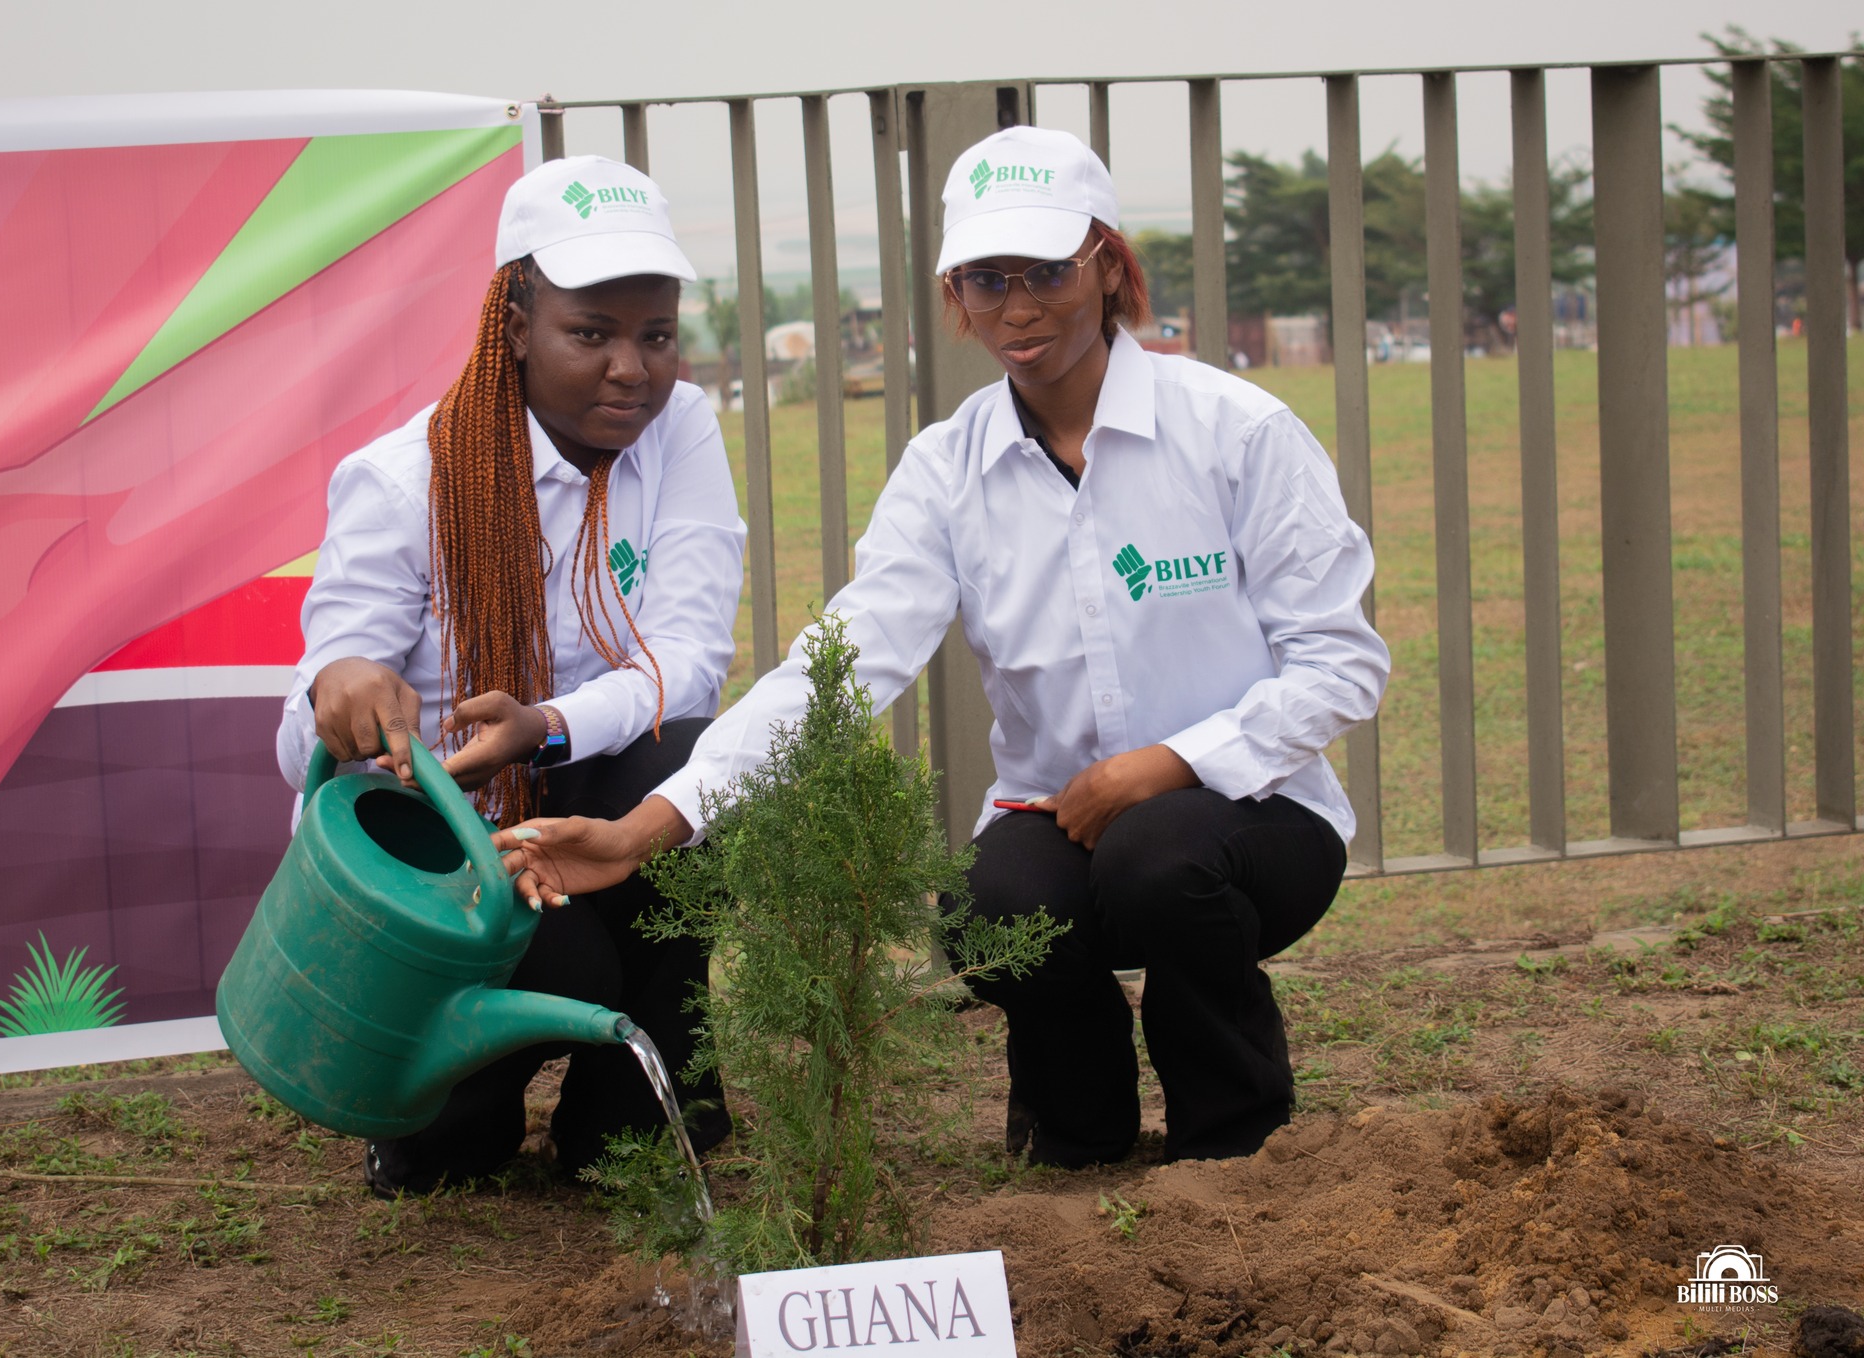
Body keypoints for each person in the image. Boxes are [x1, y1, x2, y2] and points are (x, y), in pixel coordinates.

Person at [491, 127, 1389, 1168]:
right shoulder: (946, 467)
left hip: (1256, 816)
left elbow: (1341, 663)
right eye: (982, 277)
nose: (1015, 308)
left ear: (1105, 262)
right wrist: (645, 826)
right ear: (952, 290)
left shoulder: (1237, 430)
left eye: (1045, 272)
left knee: (1161, 853)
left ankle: (1234, 1138)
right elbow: (836, 670)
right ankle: (1073, 1143)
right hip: (1063, 818)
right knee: (989, 899)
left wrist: (1168, 764)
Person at [275, 154, 746, 1195]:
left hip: (584, 783)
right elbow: (308, 717)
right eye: (591, 334)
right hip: (449, 841)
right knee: (535, 1024)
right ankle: (446, 1108)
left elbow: (688, 661)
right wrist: (340, 690)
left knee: (691, 764)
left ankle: (631, 1119)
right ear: (515, 321)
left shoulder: (680, 431)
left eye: (655, 335)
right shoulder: (407, 482)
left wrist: (548, 722)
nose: (631, 367)